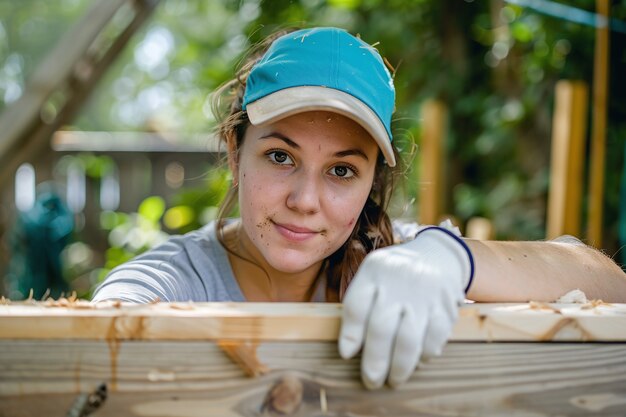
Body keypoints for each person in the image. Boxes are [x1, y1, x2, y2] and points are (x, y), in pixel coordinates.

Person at [92, 27, 626, 389]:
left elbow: (608, 283)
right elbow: (101, 337)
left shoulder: (402, 263)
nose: (305, 201)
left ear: (373, 181)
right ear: (236, 154)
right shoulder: (177, 280)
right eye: (280, 157)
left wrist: (452, 259)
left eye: (342, 170)